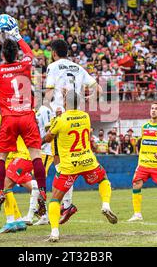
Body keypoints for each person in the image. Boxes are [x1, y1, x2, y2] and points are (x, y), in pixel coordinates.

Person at [0, 17, 47, 217]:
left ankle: (1, 191)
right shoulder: (25, 65)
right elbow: (30, 54)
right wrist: (18, 36)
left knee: (1, 158)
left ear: (3, 55)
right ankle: (43, 194)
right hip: (27, 116)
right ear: (16, 54)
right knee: (36, 156)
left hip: (9, 118)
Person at [43, 90, 118, 242]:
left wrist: (40, 139)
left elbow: (49, 137)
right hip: (88, 160)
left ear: (64, 102)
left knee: (55, 199)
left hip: (69, 165)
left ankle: (55, 232)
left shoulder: (61, 119)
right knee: (103, 178)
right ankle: (105, 205)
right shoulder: (86, 117)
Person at [43, 39, 102, 224]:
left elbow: (49, 93)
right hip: (78, 116)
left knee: (60, 160)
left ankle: (66, 204)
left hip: (60, 118)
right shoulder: (78, 67)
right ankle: (65, 205)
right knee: (67, 159)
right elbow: (98, 89)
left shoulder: (52, 67)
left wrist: (45, 111)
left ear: (53, 52)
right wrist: (85, 100)